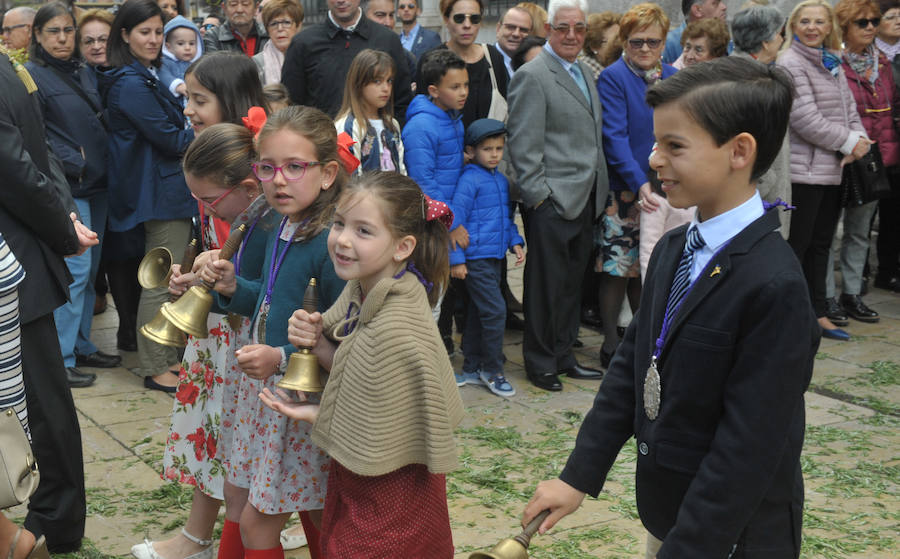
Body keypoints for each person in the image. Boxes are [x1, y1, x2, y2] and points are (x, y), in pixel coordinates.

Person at [523, 56, 820, 559]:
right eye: (656, 142)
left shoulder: (775, 285)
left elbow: (747, 448)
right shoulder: (674, 247)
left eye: (674, 146)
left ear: (739, 151)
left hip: (728, 536)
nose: (654, 159)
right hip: (671, 516)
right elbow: (629, 369)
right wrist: (578, 476)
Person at [260, 171, 463, 558]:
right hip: (362, 481)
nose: (342, 240)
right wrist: (318, 340)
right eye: (339, 224)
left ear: (403, 247)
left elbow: (378, 419)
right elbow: (357, 370)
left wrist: (317, 413)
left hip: (392, 494)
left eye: (363, 231)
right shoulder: (363, 291)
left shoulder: (395, 325)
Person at [131, 56, 269, 559]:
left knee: (228, 433)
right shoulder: (214, 165)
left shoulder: (252, 178)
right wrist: (191, 274)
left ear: (232, 102)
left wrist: (210, 274)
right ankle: (211, 532)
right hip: (218, 323)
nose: (188, 109)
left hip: (240, 327)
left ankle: (207, 535)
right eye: (187, 97)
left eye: (199, 99)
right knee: (215, 431)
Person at [200, 105, 346, 559]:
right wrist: (233, 288)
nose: (279, 180)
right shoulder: (280, 222)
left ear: (327, 174)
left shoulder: (331, 242)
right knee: (260, 497)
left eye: (295, 167)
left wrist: (279, 356)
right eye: (268, 168)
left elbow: (341, 337)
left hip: (302, 398)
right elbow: (266, 297)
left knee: (276, 512)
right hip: (266, 392)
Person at [1, 43, 97, 554]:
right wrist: (65, 218)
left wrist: (63, 224)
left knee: (38, 400)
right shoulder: (7, 65)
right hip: (24, 245)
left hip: (12, 259)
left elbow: (21, 163)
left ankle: (54, 521)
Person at [507, 0, 608, 391]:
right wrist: (539, 198)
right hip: (551, 201)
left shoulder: (582, 70)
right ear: (548, 29)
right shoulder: (533, 75)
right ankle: (540, 362)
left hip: (586, 198)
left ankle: (564, 356)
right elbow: (523, 144)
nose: (571, 35)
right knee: (545, 287)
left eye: (579, 28)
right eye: (563, 27)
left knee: (571, 286)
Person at [98, 0, 196, 391]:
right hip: (158, 194)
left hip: (162, 190)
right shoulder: (131, 83)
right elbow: (172, 140)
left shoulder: (144, 75)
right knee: (161, 280)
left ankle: (167, 359)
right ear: (124, 35)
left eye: (158, 32)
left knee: (167, 278)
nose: (154, 40)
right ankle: (155, 367)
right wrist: (208, 126)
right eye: (145, 32)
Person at [26, 2, 118, 387]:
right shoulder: (32, 75)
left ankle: (81, 346)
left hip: (98, 183)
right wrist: (73, 162)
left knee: (92, 271)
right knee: (76, 271)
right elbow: (36, 135)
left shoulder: (83, 70)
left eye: (68, 31)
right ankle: (60, 360)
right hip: (68, 186)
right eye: (54, 32)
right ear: (37, 35)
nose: (63, 39)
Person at [777, 0, 872, 341]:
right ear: (793, 26)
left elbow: (850, 109)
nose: (812, 28)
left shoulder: (831, 61)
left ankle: (817, 313)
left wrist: (859, 140)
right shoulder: (790, 63)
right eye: (805, 21)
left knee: (821, 246)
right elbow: (805, 120)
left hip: (831, 170)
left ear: (830, 26)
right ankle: (788, 318)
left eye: (819, 21)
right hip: (802, 174)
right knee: (797, 246)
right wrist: (849, 142)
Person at [597, 3, 675, 369]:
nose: (645, 49)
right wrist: (639, 182)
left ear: (664, 42)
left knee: (654, 267)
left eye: (653, 42)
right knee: (619, 267)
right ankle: (611, 344)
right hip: (628, 188)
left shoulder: (673, 76)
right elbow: (615, 137)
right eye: (636, 41)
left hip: (667, 185)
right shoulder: (613, 77)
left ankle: (645, 340)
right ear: (624, 42)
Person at [825, 0, 893, 323]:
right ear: (844, 27)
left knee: (859, 231)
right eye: (861, 22)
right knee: (827, 233)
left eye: (874, 21)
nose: (870, 28)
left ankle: (852, 294)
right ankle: (826, 296)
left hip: (872, 159)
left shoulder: (883, 63)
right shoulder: (832, 63)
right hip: (837, 156)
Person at [450, 119, 525, 396]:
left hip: (495, 257)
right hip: (475, 258)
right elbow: (455, 221)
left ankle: (471, 367)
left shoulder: (501, 181)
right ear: (471, 151)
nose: (494, 154)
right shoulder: (468, 180)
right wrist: (456, 259)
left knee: (478, 312)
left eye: (499, 148)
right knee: (495, 312)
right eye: (487, 149)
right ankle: (493, 371)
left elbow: (506, 218)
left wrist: (515, 241)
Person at [402, 49, 468, 353]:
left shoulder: (452, 119)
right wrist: (452, 225)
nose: (463, 92)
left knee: (440, 302)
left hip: (447, 220)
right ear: (433, 90)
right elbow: (424, 183)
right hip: (433, 227)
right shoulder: (421, 127)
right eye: (455, 87)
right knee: (428, 303)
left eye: (465, 85)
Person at [281, 0, 413, 121]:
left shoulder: (387, 40)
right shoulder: (303, 43)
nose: (341, 1)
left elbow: (402, 100)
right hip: (322, 136)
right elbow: (291, 104)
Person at [730, 4, 792, 239]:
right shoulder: (751, 82)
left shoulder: (754, 73)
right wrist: (761, 187)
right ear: (766, 41)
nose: (782, 39)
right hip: (753, 202)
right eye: (779, 33)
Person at [417, 0, 508, 128]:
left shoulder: (493, 57)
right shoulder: (430, 60)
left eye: (474, 19)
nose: (467, 25)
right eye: (459, 18)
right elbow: (422, 111)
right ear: (446, 19)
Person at [335, 49, 406, 175]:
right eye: (377, 81)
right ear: (359, 84)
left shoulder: (392, 124)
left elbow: (401, 171)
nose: (386, 88)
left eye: (389, 81)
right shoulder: (347, 126)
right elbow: (349, 178)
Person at [875, 0, 900, 292]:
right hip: (878, 141)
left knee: (894, 212)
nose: (897, 21)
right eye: (891, 17)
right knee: (873, 209)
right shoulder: (871, 55)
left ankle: (890, 268)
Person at [252, 0, 302, 85]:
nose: (280, 28)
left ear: (298, 26)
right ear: (267, 29)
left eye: (286, 22)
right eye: (273, 24)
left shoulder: (310, 58)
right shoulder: (255, 64)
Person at [662, 0, 727, 64]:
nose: (724, 7)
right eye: (715, 3)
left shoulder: (723, 38)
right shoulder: (669, 44)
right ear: (697, 10)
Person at [160, 15, 203, 104]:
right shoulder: (164, 63)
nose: (187, 48)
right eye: (180, 43)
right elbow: (163, 75)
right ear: (168, 47)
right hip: (173, 103)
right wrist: (177, 85)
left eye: (192, 43)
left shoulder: (200, 65)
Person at [204, 0, 269, 56]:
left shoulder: (268, 33)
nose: (239, 10)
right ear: (224, 8)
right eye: (233, 4)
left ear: (256, 7)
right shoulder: (213, 36)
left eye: (245, 4)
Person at [578, 11, 621, 81]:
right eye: (615, 41)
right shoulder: (588, 75)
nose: (622, 46)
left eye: (624, 39)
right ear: (594, 46)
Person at [495, 6, 533, 77]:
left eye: (523, 30)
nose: (516, 34)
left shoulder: (532, 64)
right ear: (498, 29)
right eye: (510, 27)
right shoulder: (485, 62)